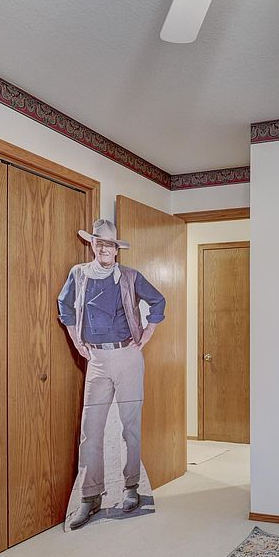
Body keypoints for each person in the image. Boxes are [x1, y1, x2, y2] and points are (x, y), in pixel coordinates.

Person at [57, 219, 166, 530]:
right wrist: (76, 340)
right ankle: (90, 497)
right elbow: (65, 307)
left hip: (128, 356)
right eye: (99, 243)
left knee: (130, 426)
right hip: (97, 359)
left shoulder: (130, 276)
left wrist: (147, 333)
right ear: (92, 245)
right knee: (91, 428)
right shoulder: (79, 274)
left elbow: (158, 300)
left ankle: (131, 488)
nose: (104, 249)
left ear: (117, 250)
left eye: (109, 244)